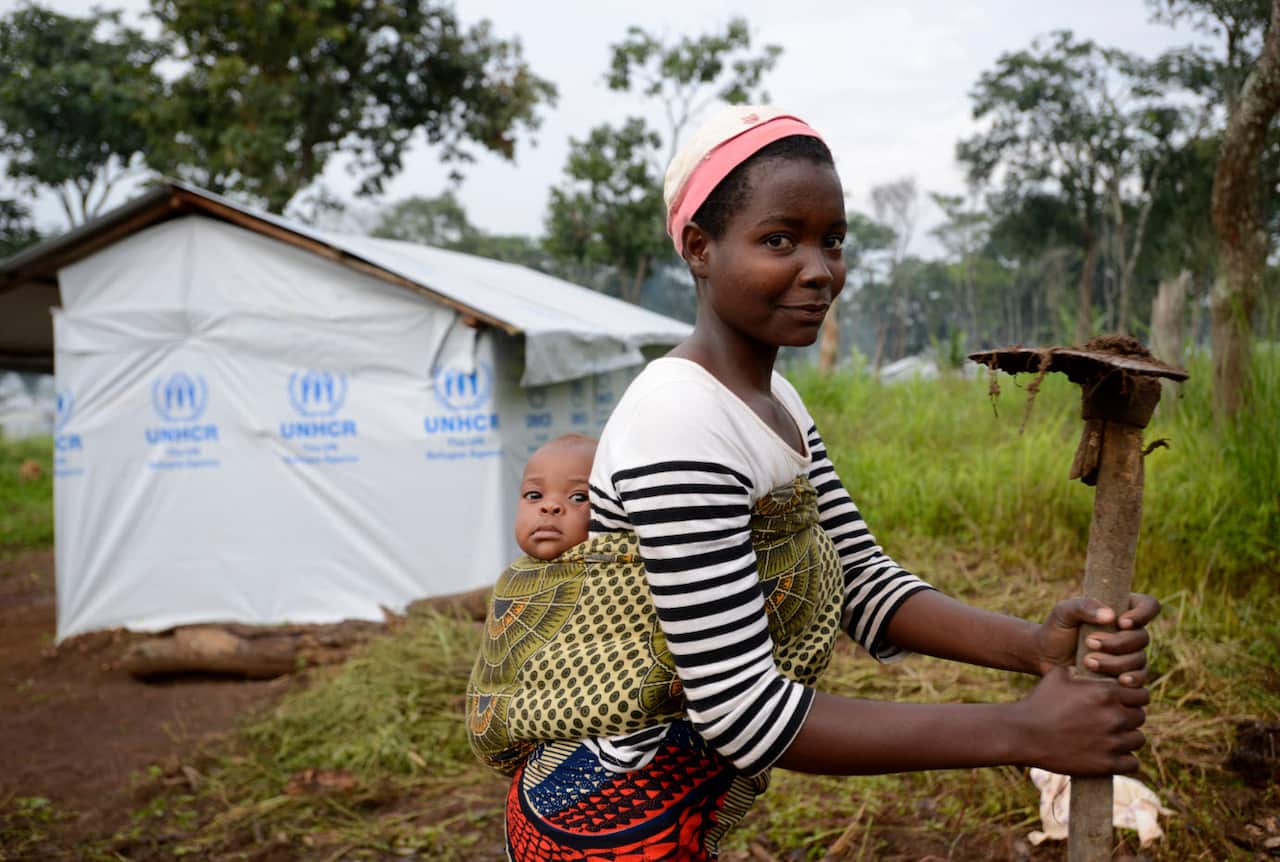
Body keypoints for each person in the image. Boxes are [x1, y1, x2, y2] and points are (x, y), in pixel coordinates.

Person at [469, 105, 1158, 862]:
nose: (819, 269)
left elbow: (861, 580)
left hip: (671, 806)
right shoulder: (678, 421)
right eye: (779, 240)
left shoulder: (774, 402)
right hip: (600, 822)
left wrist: (1034, 648)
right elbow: (743, 713)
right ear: (699, 247)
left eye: (833, 240)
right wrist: (1023, 731)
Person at [513, 434, 597, 561]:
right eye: (534, 495)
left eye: (578, 498)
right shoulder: (511, 577)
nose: (549, 506)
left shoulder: (622, 573)